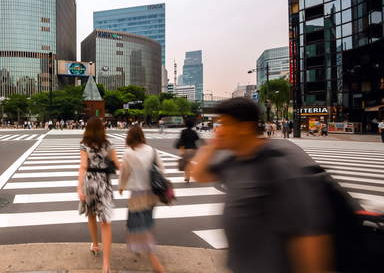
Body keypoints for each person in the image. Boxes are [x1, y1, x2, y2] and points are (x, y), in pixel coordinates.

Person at [191, 98, 332, 273]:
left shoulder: (277, 166)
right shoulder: (235, 160)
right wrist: (212, 146)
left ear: (244, 127)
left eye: (225, 124)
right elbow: (200, 175)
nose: (219, 130)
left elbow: (308, 235)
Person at [118, 126, 166, 273]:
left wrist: (121, 186)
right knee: (145, 221)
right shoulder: (152, 150)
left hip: (137, 195)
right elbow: (162, 170)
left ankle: (155, 263)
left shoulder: (129, 152)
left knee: (138, 226)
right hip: (152, 193)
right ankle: (138, 247)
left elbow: (124, 172)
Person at [78, 117, 120, 273]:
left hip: (89, 183)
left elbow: (83, 166)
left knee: (91, 215)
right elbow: (117, 164)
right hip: (104, 185)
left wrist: (79, 188)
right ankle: (106, 264)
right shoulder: (109, 145)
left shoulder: (84, 145)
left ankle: (95, 245)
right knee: (106, 222)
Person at [175, 118, 200, 183]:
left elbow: (181, 141)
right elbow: (198, 140)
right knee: (188, 162)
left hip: (185, 150)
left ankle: (187, 177)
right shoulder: (194, 132)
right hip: (193, 150)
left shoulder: (183, 131)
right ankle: (190, 175)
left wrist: (181, 150)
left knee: (186, 163)